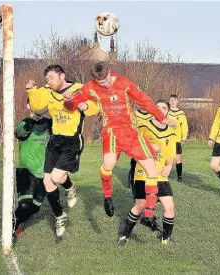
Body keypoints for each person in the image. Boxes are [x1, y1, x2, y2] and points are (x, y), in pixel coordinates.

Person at [63, 62, 174, 219]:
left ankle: (149, 212)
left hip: (131, 131)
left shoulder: (123, 82)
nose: (106, 84)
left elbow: (144, 100)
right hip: (112, 132)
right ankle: (107, 197)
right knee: (108, 164)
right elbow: (71, 105)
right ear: (95, 81)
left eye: (107, 80)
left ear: (109, 73)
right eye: (101, 83)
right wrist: (68, 100)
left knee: (152, 170)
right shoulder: (90, 87)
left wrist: (161, 117)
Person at [26, 64, 100, 237]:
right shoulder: (46, 91)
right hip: (54, 140)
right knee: (47, 182)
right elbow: (36, 107)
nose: (49, 81)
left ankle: (70, 187)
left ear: (62, 76)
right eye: (47, 79)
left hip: (72, 140)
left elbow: (95, 107)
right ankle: (60, 215)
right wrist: (31, 90)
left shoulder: (79, 88)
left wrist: (83, 105)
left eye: (51, 77)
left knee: (57, 177)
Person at [118, 100, 176, 246]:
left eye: (164, 108)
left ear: (167, 112)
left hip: (161, 176)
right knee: (140, 205)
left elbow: (170, 154)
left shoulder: (170, 132)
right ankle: (124, 235)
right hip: (143, 174)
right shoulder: (143, 126)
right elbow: (132, 146)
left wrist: (169, 166)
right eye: (158, 108)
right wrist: (149, 146)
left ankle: (166, 240)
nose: (161, 110)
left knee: (169, 207)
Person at [13, 100, 52, 237]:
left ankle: (19, 220)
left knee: (35, 208)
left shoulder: (50, 124)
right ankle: (12, 228)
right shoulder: (25, 123)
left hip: (45, 173)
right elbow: (19, 134)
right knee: (25, 205)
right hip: (26, 170)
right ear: (28, 105)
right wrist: (35, 116)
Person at [127, 108, 153, 189]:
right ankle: (132, 182)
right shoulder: (134, 114)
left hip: (149, 144)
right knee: (134, 163)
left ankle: (148, 183)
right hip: (136, 143)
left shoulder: (152, 115)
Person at [168, 94, 188, 182]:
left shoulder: (181, 113)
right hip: (166, 138)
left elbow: (184, 126)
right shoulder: (166, 111)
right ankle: (164, 173)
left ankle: (179, 176)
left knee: (178, 158)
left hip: (176, 139)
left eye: (174, 100)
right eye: (171, 100)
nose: (172, 102)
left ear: (177, 101)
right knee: (166, 157)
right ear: (169, 101)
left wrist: (183, 138)